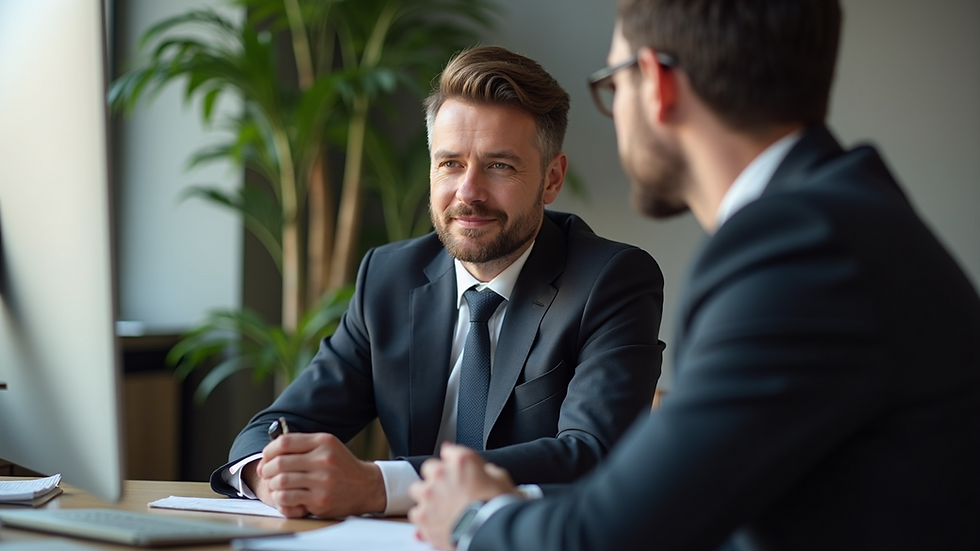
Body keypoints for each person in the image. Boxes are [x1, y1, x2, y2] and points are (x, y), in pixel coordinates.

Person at [407, 1, 980, 550]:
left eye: (614, 83)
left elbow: (610, 536)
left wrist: (472, 516)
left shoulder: (801, 250)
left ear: (656, 83)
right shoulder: (835, 218)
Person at [209, 46, 666, 519]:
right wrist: (269, 475)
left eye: (499, 166)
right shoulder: (388, 277)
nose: (468, 192)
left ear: (551, 179)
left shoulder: (611, 281)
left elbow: (591, 454)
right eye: (450, 163)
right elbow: (277, 427)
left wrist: (380, 486)